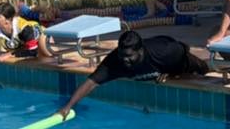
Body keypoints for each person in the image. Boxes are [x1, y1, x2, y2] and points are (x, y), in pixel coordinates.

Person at [57, 31, 209, 118]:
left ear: (140, 51)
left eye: (129, 56)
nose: (125, 60)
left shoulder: (162, 52)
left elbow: (183, 50)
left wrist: (174, 74)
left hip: (175, 57)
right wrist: (68, 106)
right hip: (165, 62)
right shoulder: (115, 61)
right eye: (122, 55)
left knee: (205, 70)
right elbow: (91, 82)